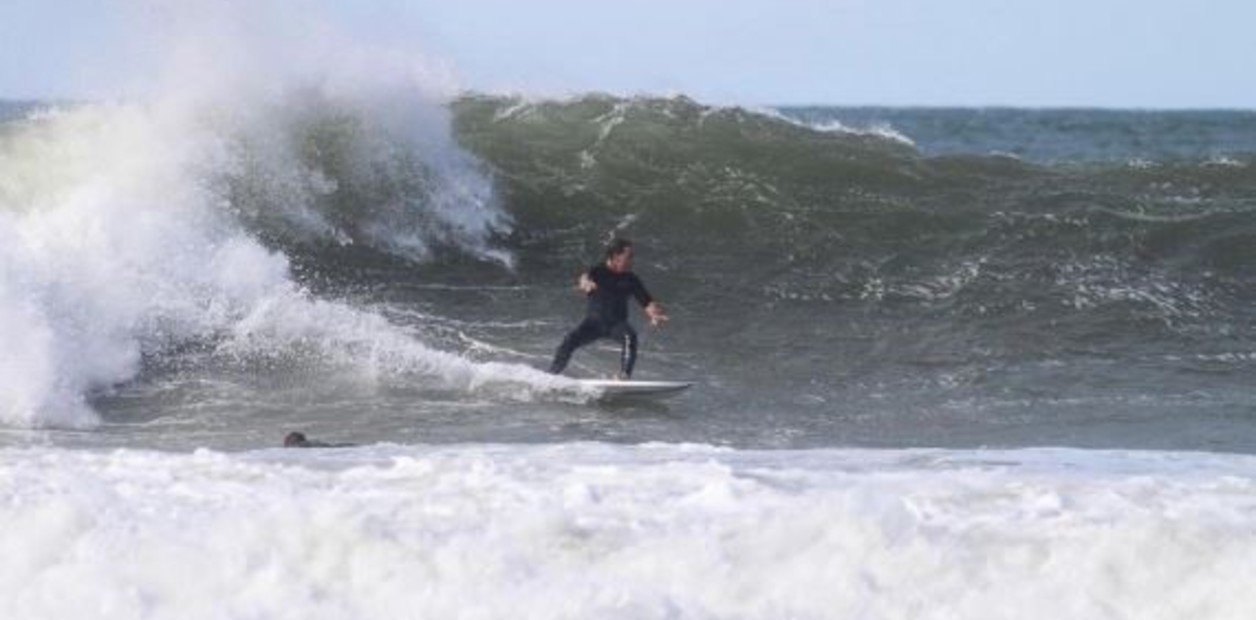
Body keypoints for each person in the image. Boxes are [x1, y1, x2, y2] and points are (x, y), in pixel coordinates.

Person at [548, 238, 668, 379]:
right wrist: (585, 283)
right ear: (616, 257)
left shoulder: (631, 279)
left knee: (630, 337)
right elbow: (584, 278)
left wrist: (654, 314)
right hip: (593, 324)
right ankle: (552, 375)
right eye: (629, 257)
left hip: (616, 325)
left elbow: (646, 301)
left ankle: (624, 376)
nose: (632, 261)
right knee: (569, 340)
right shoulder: (597, 272)